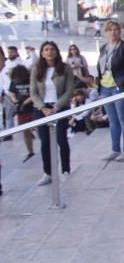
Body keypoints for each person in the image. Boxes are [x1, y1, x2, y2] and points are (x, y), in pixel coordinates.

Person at [30, 41, 75, 184]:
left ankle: (65, 170)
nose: (49, 52)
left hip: (59, 107)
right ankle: (47, 172)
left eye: (52, 49)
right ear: (42, 53)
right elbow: (33, 92)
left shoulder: (65, 68)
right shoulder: (37, 69)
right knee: (45, 142)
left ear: (56, 52)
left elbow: (69, 91)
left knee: (61, 139)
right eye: (46, 49)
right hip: (42, 109)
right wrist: (43, 108)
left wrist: (55, 108)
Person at [96, 20, 124, 162]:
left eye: (115, 29)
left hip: (120, 87)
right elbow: (101, 67)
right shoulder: (104, 48)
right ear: (105, 32)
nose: (113, 32)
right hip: (105, 87)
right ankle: (115, 149)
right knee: (113, 120)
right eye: (110, 30)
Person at [8, 65, 34, 161]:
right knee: (25, 131)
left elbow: (33, 94)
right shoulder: (14, 81)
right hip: (21, 110)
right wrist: (15, 101)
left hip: (31, 107)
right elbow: (12, 92)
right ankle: (30, 151)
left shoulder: (30, 80)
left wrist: (24, 103)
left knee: (37, 128)